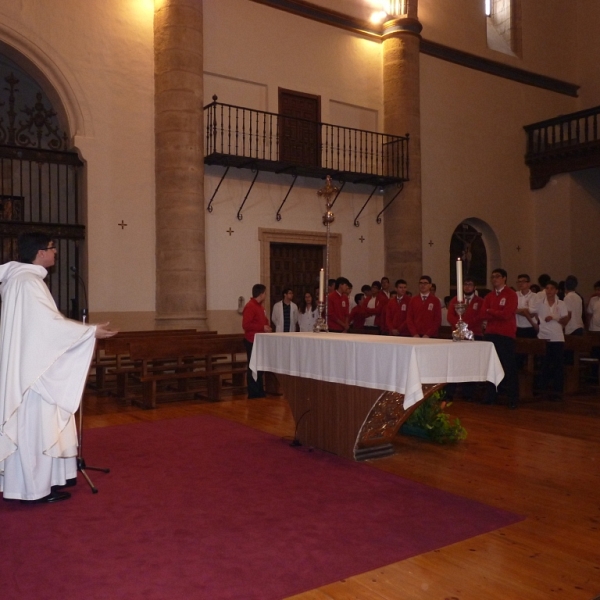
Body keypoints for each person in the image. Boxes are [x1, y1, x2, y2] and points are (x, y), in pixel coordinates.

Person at [0, 232, 117, 504]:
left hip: (31, 365)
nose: (55, 253)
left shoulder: (21, 281)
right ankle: (33, 490)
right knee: (35, 428)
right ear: (40, 252)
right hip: (32, 373)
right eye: (52, 248)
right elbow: (48, 326)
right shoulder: (28, 283)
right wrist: (89, 332)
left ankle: (39, 484)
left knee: (39, 427)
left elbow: (42, 325)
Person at [482, 268, 519, 409]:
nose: (494, 279)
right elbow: (483, 314)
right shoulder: (490, 296)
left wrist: (491, 311)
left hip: (505, 335)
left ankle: (513, 399)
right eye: (492, 277)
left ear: (504, 278)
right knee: (491, 366)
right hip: (491, 333)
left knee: (508, 366)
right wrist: (492, 312)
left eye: (497, 276)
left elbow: (506, 314)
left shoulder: (511, 294)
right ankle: (491, 396)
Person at [529, 281, 569, 400]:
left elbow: (565, 320)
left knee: (557, 365)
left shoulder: (561, 303)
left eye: (552, 288)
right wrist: (535, 323)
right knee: (543, 365)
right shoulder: (540, 303)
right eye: (547, 288)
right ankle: (542, 390)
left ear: (556, 291)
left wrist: (554, 317)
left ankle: (557, 392)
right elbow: (530, 311)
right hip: (543, 336)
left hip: (557, 337)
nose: (549, 291)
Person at [242, 283, 272, 398]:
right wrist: (262, 327)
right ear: (261, 294)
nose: (265, 295)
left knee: (260, 367)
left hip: (260, 341)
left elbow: (264, 321)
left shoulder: (260, 307)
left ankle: (259, 390)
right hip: (252, 341)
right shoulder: (250, 306)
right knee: (253, 366)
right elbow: (246, 325)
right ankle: (253, 392)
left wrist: (267, 326)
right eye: (265, 293)